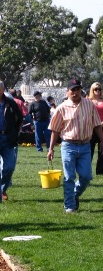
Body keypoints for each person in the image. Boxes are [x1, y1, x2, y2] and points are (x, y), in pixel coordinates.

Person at [47, 79, 103, 213]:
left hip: (85, 146)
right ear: (67, 92)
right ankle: (70, 206)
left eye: (77, 89)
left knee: (86, 177)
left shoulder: (89, 105)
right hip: (68, 146)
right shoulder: (61, 108)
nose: (75, 92)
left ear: (81, 90)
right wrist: (50, 149)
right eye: (72, 90)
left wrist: (102, 140)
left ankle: (74, 194)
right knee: (69, 177)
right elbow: (55, 130)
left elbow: (97, 125)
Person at [88, 82, 103, 175]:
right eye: (96, 89)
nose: (98, 91)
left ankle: (100, 171)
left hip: (102, 127)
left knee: (102, 150)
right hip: (91, 128)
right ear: (92, 90)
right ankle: (86, 170)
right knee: (89, 149)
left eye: (99, 89)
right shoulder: (88, 101)